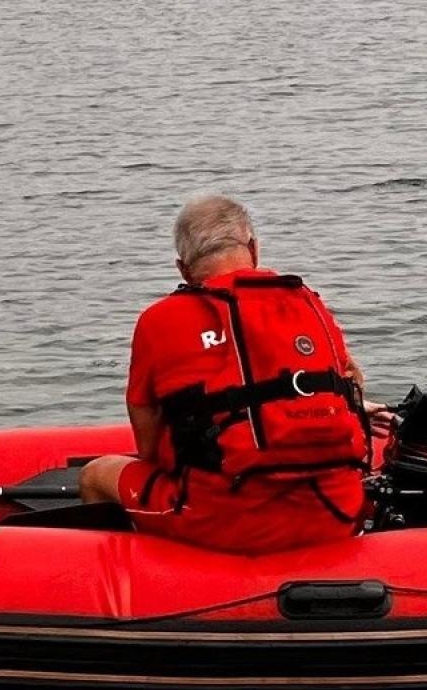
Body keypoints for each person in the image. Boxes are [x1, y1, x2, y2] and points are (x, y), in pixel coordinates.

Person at [79, 195, 371, 554]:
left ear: (183, 269)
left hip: (224, 522)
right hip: (335, 512)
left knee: (96, 474)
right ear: (253, 248)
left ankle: (137, 579)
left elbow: (149, 447)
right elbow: (349, 388)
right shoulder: (309, 303)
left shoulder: (158, 320)